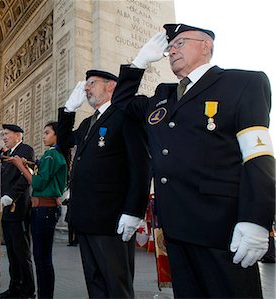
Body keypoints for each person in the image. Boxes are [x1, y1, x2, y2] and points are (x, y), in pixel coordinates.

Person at [114, 24, 275, 298]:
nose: (172, 50)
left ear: (205, 46)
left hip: (221, 229)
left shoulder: (243, 82)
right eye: (170, 47)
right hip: (175, 229)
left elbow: (257, 155)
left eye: (180, 42)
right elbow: (121, 106)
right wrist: (138, 63)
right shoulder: (162, 96)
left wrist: (256, 220)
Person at [57, 70, 150, 298]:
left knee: (116, 283)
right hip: (86, 217)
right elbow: (64, 143)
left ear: (110, 86)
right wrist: (68, 111)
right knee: (95, 280)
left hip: (112, 218)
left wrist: (133, 211)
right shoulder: (89, 122)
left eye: (91, 83)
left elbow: (141, 165)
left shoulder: (125, 115)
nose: (86, 88)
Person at [6, 121, 68, 299]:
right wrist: (30, 165)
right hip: (46, 209)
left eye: (47, 133)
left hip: (44, 210)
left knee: (42, 260)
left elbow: (38, 182)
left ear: (57, 135)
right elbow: (43, 176)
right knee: (42, 259)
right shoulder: (54, 155)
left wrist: (20, 166)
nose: (43, 136)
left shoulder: (51, 155)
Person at [0, 124, 35, 299]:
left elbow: (26, 175)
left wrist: (11, 195)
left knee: (21, 253)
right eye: (3, 135)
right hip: (6, 210)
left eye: (7, 134)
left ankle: (27, 291)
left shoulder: (25, 149)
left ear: (18, 135)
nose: (4, 137)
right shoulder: (9, 154)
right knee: (12, 252)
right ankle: (14, 288)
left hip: (17, 207)